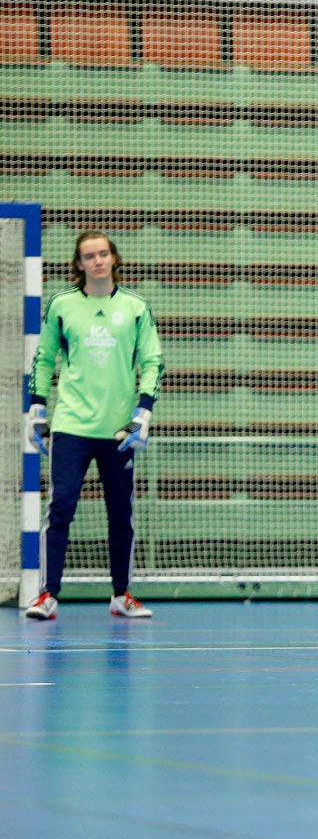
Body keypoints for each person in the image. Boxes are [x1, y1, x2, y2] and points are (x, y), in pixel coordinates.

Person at [23, 231, 165, 621]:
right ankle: (47, 595)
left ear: (114, 258)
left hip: (119, 431)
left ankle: (122, 595)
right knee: (62, 507)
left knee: (121, 513)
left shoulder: (136, 307)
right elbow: (44, 358)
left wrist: (144, 413)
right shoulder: (62, 305)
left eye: (103, 254)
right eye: (89, 256)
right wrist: (36, 408)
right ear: (79, 264)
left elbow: (153, 361)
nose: (98, 261)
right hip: (71, 425)